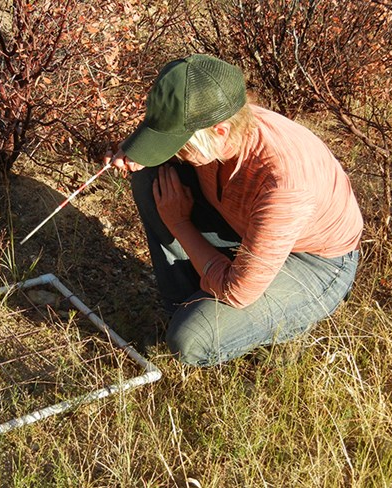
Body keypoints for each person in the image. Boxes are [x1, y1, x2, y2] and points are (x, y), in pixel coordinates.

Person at [105, 54, 363, 366]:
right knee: (149, 176)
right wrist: (141, 150)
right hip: (244, 223)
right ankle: (182, 305)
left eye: (180, 143)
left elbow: (237, 292)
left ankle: (273, 322)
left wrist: (180, 223)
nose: (175, 152)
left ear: (220, 131)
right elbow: (167, 131)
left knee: (190, 341)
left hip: (313, 260)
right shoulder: (217, 121)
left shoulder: (285, 182)